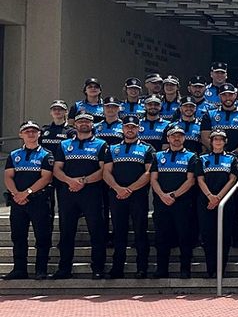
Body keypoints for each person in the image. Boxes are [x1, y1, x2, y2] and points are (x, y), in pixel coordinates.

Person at [52, 114, 109, 279]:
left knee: (97, 232)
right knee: (66, 232)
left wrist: (83, 181)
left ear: (92, 124)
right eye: (80, 121)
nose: (84, 123)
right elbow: (57, 169)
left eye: (87, 121)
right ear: (74, 124)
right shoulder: (64, 144)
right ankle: (64, 269)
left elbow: (103, 170)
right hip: (68, 193)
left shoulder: (101, 144)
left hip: (92, 193)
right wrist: (71, 182)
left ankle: (98, 268)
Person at [102, 118, 154, 279]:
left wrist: (130, 189)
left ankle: (142, 268)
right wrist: (118, 188)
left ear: (139, 129)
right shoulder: (113, 149)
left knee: (140, 232)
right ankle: (117, 268)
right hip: (117, 195)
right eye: (127, 127)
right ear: (122, 129)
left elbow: (148, 173)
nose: (130, 129)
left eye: (133, 127)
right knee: (119, 232)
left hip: (137, 195)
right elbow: (106, 172)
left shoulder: (147, 149)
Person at [4, 122, 54, 280]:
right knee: (18, 236)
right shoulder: (14, 155)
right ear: (21, 134)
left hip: (38, 201)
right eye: (27, 131)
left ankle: (41, 270)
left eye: (34, 131)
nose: (31, 134)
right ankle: (19, 269)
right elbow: (8, 176)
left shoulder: (46, 154)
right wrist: (16, 194)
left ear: (39, 134)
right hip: (18, 202)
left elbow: (46, 177)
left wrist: (26, 193)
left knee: (42, 236)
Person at [149, 125, 198, 279]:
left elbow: (190, 181)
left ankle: (185, 269)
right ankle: (161, 269)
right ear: (168, 138)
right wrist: (163, 196)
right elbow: (153, 179)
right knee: (161, 237)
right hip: (161, 202)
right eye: (173, 136)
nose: (176, 139)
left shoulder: (191, 156)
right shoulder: (158, 156)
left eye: (180, 136)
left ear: (184, 138)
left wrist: (174, 195)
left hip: (182, 203)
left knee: (184, 236)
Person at [196, 129, 238, 278]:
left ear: (225, 141)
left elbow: (233, 179)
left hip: (225, 202)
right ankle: (210, 269)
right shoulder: (202, 158)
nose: (218, 142)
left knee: (225, 235)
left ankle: (221, 269)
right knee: (208, 235)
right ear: (211, 141)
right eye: (215, 139)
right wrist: (210, 196)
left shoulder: (232, 158)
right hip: (205, 201)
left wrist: (219, 197)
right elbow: (200, 179)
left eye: (221, 139)